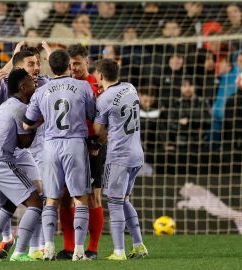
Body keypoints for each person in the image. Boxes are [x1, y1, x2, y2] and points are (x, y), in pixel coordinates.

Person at [0, 44, 51, 260]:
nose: (35, 70)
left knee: (8, 204)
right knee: (34, 202)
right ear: (22, 84)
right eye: (30, 65)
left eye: (37, 63)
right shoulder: (12, 96)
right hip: (2, 159)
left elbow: (23, 141)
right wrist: (37, 123)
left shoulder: (20, 96)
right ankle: (18, 252)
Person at [24, 49, 95, 261]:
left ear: (50, 67)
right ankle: (79, 251)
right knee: (80, 198)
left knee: (51, 199)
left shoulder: (41, 91)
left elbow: (27, 123)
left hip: (50, 146)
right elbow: (92, 114)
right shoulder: (83, 86)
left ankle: (47, 249)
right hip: (74, 144)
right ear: (68, 65)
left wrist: (45, 118)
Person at [93, 59, 148, 260]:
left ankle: (119, 251)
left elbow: (98, 131)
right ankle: (139, 244)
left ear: (100, 75)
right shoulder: (130, 88)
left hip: (119, 155)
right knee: (124, 200)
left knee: (115, 202)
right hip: (137, 153)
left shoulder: (105, 99)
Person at [53, 44, 104, 260]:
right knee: (64, 196)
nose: (73, 68)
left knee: (92, 196)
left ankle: (92, 248)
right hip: (67, 145)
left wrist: (98, 144)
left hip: (92, 145)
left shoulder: (95, 85)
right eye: (71, 64)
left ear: (87, 62)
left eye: (77, 63)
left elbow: (104, 119)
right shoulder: (65, 84)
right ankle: (69, 246)